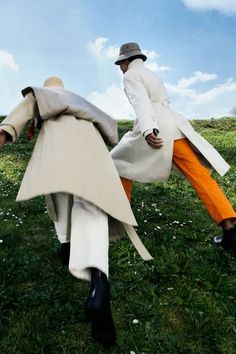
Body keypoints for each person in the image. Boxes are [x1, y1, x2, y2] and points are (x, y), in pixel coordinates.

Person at [0, 76, 140, 347]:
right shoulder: (80, 101)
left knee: (62, 203)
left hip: (58, 154)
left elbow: (26, 106)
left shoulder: (44, 95)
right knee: (91, 209)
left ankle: (66, 245)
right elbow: (110, 128)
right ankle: (99, 285)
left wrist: (5, 132)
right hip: (92, 154)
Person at [111, 42, 236, 253]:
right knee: (200, 176)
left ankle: (119, 221)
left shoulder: (130, 76)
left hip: (154, 127)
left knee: (115, 163)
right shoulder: (153, 75)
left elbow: (141, 103)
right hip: (174, 128)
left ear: (125, 61)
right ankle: (231, 230)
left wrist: (149, 129)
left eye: (120, 64)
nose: (120, 68)